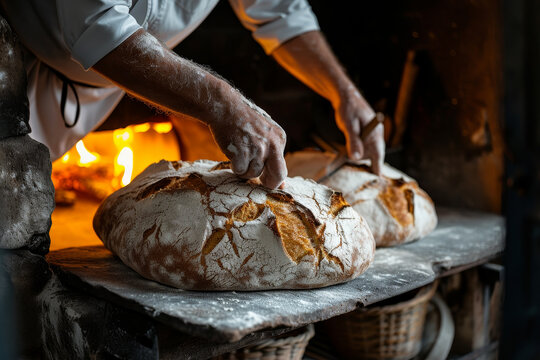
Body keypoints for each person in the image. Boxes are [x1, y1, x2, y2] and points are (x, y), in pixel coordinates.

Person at [0, 0, 384, 189]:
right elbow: (99, 26)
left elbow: (280, 11)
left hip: (93, 88)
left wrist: (345, 93)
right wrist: (223, 103)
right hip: (13, 59)